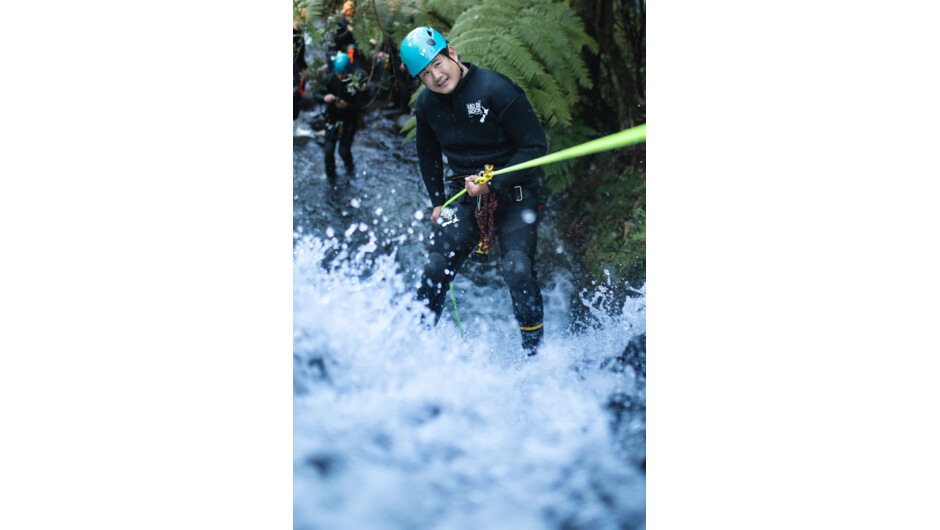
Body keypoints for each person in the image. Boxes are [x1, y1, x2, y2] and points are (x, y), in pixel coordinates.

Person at [399, 26, 548, 355]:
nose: (436, 76)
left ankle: (534, 353)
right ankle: (416, 347)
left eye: (438, 64)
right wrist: (437, 202)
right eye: (425, 74)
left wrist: (494, 183)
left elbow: (536, 147)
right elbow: (427, 155)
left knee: (517, 268)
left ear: (451, 52)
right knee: (435, 267)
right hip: (463, 195)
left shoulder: (495, 89)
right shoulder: (426, 106)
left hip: (514, 192)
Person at [313, 53, 367, 187]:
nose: (340, 77)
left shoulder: (356, 82)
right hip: (333, 118)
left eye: (343, 74)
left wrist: (347, 106)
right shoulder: (330, 78)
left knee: (343, 150)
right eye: (338, 74)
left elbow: (362, 106)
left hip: (349, 119)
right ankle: (331, 179)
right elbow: (317, 94)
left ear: (349, 71)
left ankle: (350, 171)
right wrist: (325, 98)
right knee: (328, 150)